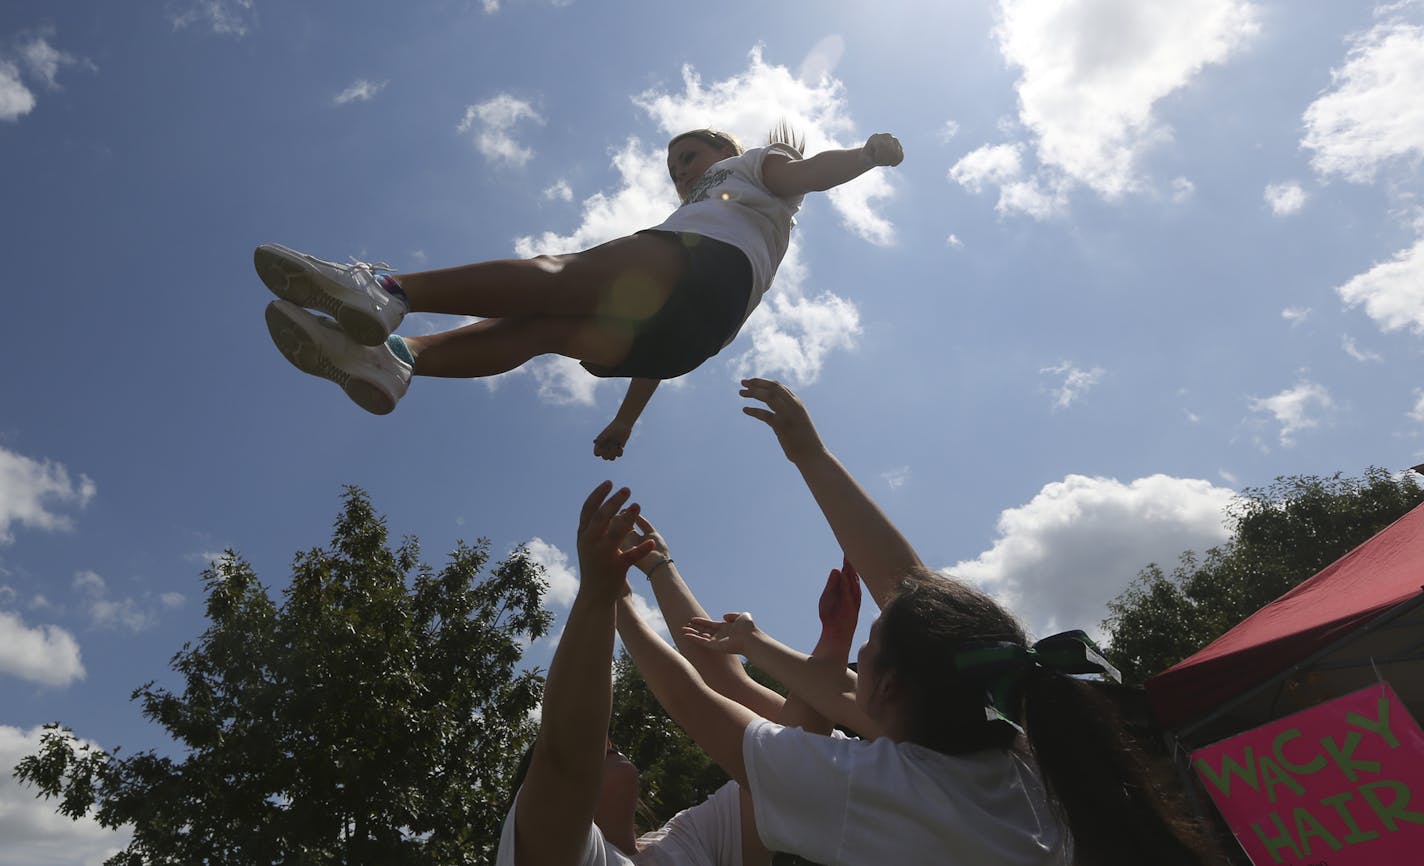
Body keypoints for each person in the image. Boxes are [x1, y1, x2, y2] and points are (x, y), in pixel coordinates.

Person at [586, 382, 1218, 865]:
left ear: (886, 691)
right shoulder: (1025, 763)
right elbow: (906, 598)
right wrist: (812, 457)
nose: (855, 663)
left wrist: (609, 598)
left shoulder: (881, 790)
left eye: (868, 651)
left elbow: (697, 695)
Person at [254, 126, 903, 457]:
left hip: (708, 270)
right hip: (693, 337)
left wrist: (863, 156)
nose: (681, 172)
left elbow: (811, 171)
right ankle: (401, 357)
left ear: (723, 149)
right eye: (674, 168)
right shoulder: (696, 215)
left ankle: (389, 289)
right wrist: (624, 421)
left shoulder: (753, 167)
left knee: (556, 274)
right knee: (539, 330)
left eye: (689, 156)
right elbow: (657, 345)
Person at [495, 482, 857, 866]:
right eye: (595, 748)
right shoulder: (549, 850)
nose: (604, 737)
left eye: (604, 742)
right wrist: (603, 597)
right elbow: (566, 754)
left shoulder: (687, 841)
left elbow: (786, 751)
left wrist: (650, 572)